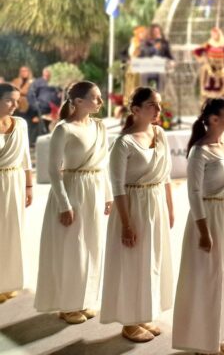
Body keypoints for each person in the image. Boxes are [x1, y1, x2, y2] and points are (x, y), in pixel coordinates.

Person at [173, 98, 224, 355]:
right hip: (209, 217)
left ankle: (218, 334)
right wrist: (203, 231)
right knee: (208, 278)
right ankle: (203, 342)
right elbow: (194, 194)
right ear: (214, 119)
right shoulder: (199, 151)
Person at [35, 81, 113, 324]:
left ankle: (83, 299)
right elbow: (53, 170)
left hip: (95, 191)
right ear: (78, 102)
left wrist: (108, 195)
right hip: (72, 191)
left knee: (92, 246)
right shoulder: (64, 129)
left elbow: (104, 164)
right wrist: (64, 204)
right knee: (73, 250)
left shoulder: (100, 126)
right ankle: (67, 306)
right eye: (95, 97)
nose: (101, 101)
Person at [100, 87, 174, 342]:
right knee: (132, 263)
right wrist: (126, 224)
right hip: (132, 207)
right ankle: (129, 322)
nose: (158, 110)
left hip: (155, 204)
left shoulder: (160, 133)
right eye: (152, 105)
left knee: (151, 262)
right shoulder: (123, 143)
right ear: (135, 110)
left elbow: (166, 173)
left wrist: (170, 206)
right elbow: (117, 186)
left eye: (159, 104)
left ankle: (143, 314)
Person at [0, 83, 33, 304]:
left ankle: (8, 282)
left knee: (13, 232)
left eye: (17, 99)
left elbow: (25, 156)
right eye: (9, 100)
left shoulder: (20, 124)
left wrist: (29, 186)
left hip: (15, 181)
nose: (15, 104)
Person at [193, 27, 224, 100]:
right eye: (213, 34)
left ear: (219, 34)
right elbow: (196, 51)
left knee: (221, 88)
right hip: (209, 68)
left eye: (216, 34)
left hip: (221, 68)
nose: (214, 36)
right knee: (208, 86)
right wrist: (202, 59)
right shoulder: (208, 44)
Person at [28, 67, 61, 136]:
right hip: (41, 109)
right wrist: (35, 107)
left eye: (50, 73)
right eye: (47, 72)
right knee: (42, 130)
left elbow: (60, 93)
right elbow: (31, 95)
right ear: (43, 73)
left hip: (54, 110)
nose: (48, 74)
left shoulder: (55, 82)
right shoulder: (37, 82)